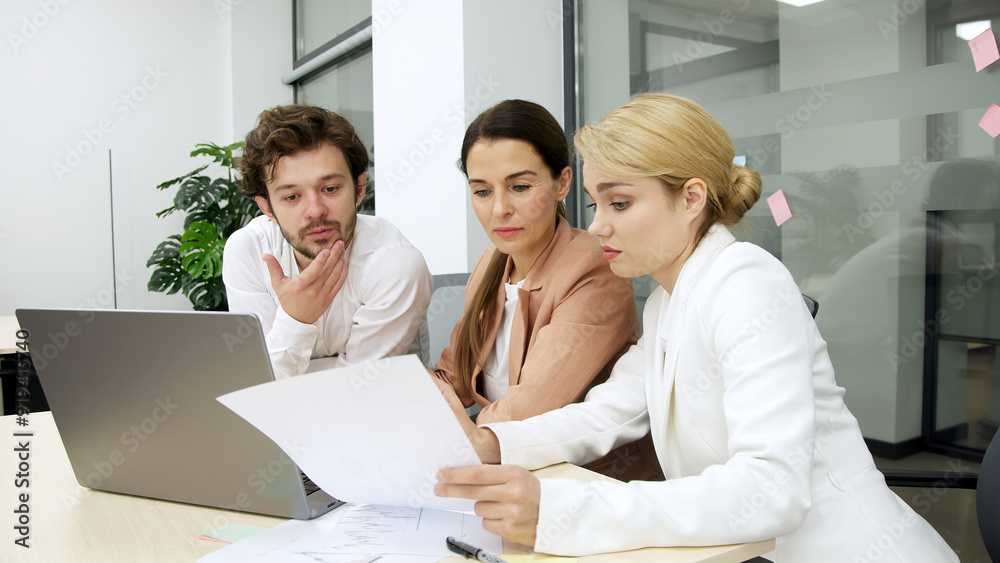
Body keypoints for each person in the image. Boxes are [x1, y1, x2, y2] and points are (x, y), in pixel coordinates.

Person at [433, 93, 959, 562]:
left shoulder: (747, 283)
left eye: (619, 203)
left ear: (691, 198)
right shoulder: (669, 301)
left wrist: (570, 510)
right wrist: (492, 442)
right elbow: (607, 413)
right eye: (596, 204)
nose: (596, 226)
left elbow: (772, 486)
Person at [432, 99, 660, 481]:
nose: (500, 209)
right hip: (501, 471)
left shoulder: (593, 266)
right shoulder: (491, 264)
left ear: (563, 183)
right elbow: (451, 376)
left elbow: (527, 411)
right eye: (482, 191)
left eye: (520, 186)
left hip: (585, 485)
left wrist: (445, 435)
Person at [223, 104, 432, 379]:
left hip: (387, 415)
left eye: (330, 189)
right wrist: (297, 318)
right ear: (267, 208)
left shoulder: (395, 264)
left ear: (359, 188)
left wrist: (290, 345)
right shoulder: (248, 251)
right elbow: (256, 383)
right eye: (291, 197)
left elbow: (357, 388)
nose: (315, 210)